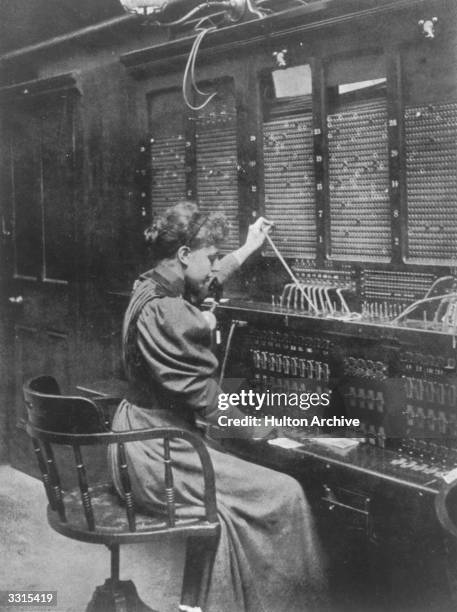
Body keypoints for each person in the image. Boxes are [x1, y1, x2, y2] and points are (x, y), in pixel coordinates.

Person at [109, 201, 327, 612]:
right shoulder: (168, 311)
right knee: (286, 493)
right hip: (157, 451)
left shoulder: (152, 285)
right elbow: (208, 403)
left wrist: (247, 249)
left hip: (137, 435)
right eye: (209, 256)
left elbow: (203, 283)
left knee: (246, 484)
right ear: (184, 255)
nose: (213, 267)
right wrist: (269, 432)